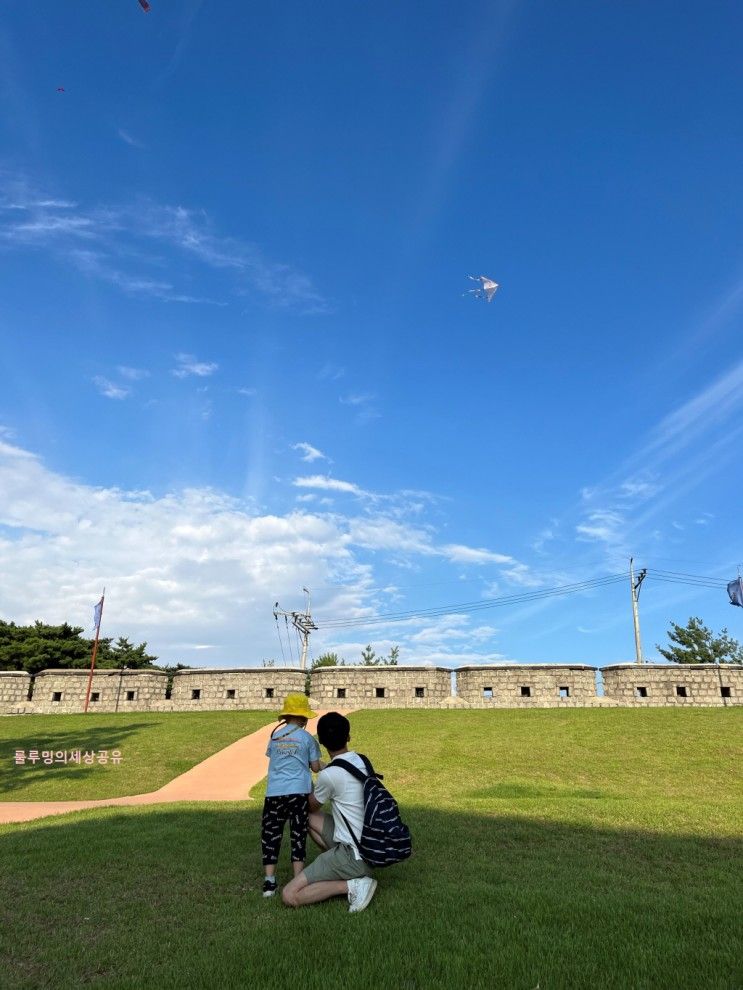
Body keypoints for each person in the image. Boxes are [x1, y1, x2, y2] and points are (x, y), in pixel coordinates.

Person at [282, 711, 378, 913]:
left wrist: (301, 774)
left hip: (354, 855)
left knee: (290, 894)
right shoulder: (362, 761)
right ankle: (339, 868)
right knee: (308, 819)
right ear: (349, 737)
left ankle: (353, 885)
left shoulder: (330, 775)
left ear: (322, 743)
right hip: (372, 846)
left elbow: (311, 805)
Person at [261, 693, 322, 897]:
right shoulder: (307, 739)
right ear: (303, 717)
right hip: (298, 793)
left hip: (274, 793)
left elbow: (273, 757)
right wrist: (325, 765)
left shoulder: (275, 737)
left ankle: (269, 881)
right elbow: (314, 767)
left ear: (286, 715)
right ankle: (298, 878)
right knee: (297, 834)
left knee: (271, 834)